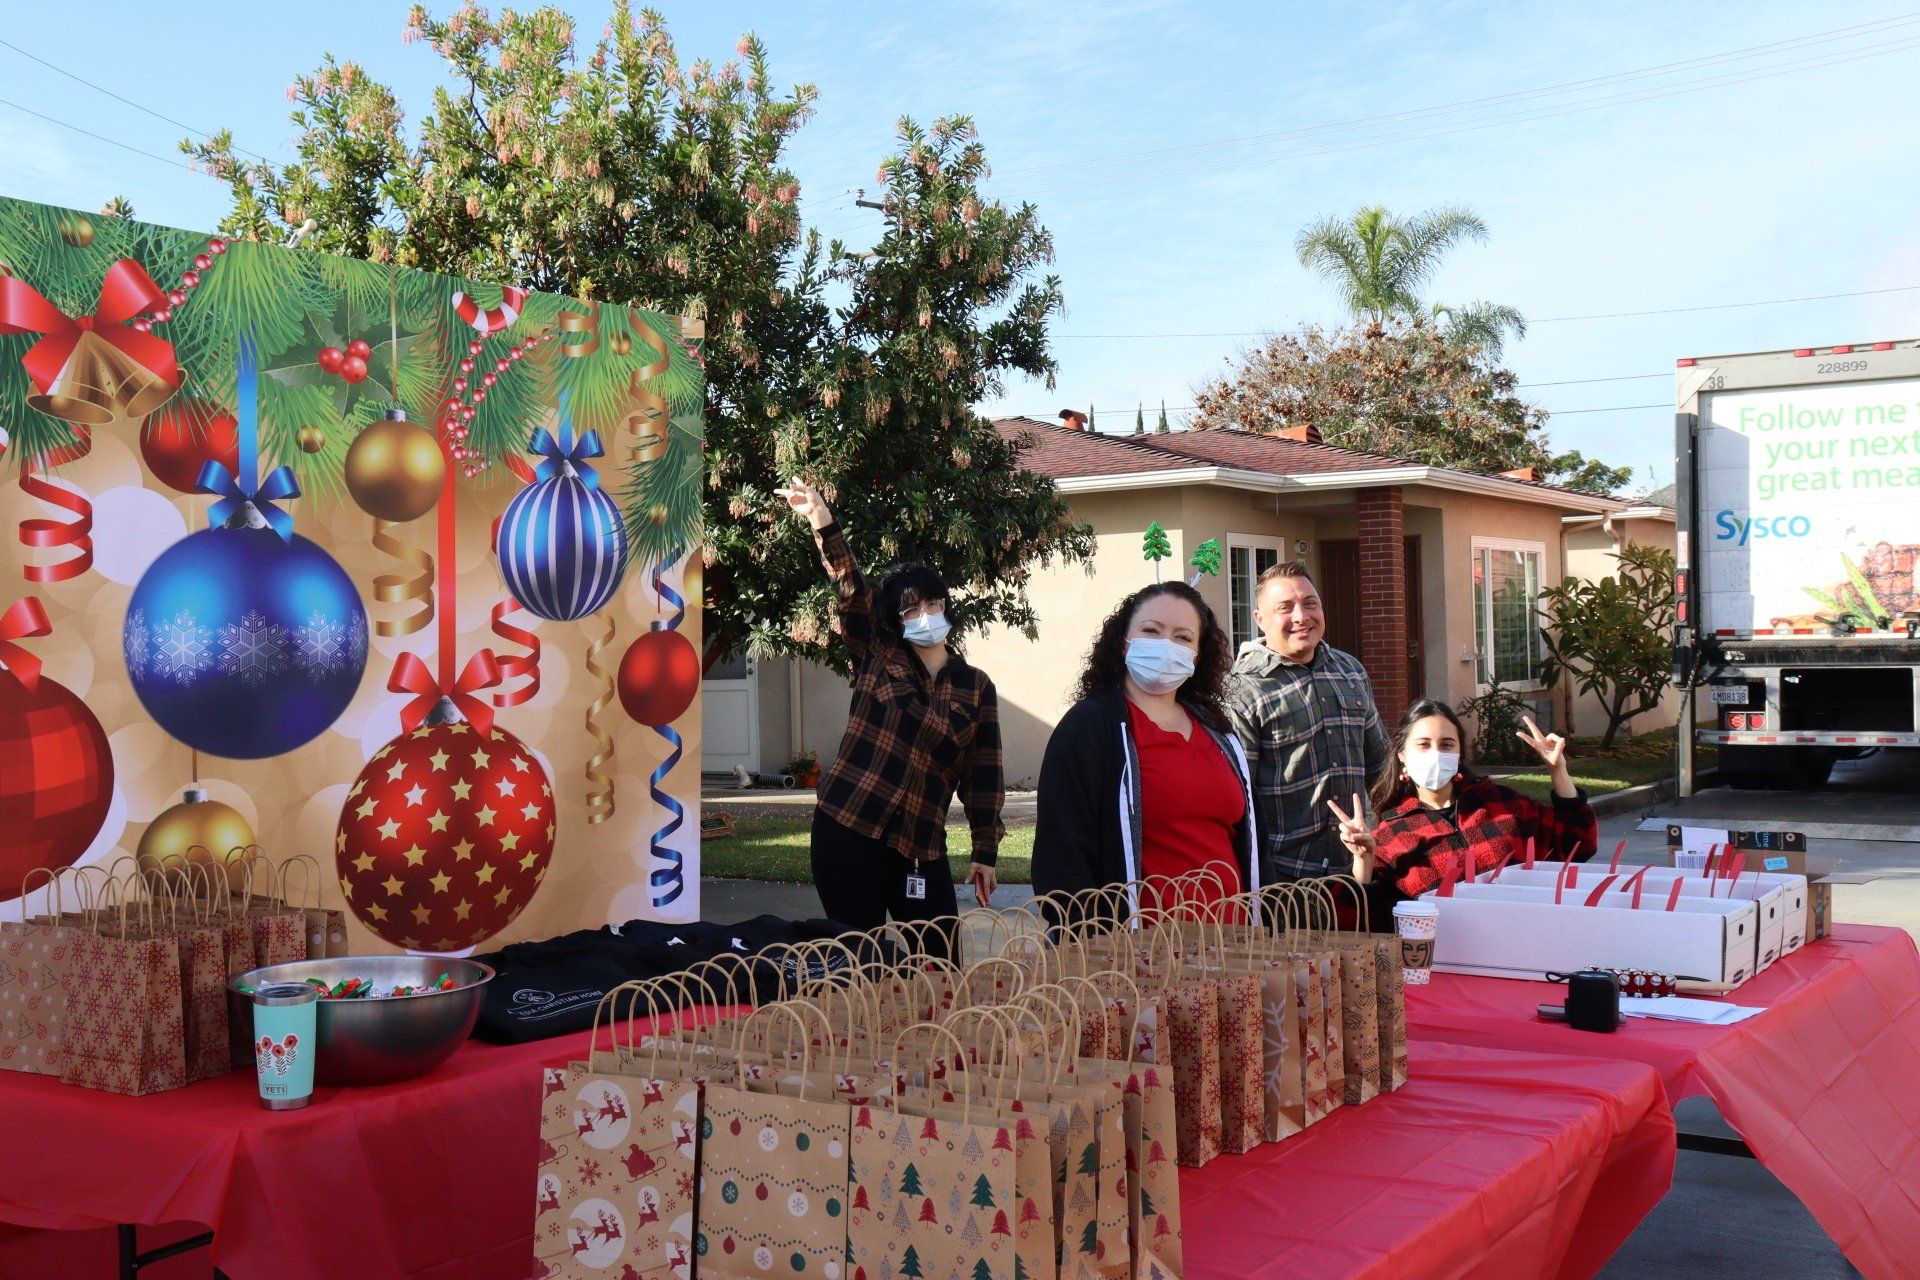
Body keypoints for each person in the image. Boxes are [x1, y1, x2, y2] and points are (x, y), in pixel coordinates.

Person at [778, 479, 1003, 941]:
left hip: (919, 846)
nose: (924, 615)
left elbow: (984, 777)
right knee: (856, 961)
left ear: (946, 607)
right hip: (847, 827)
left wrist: (985, 851)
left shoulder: (975, 687)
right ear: (895, 620)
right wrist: (821, 518)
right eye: (910, 609)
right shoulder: (876, 654)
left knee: (939, 961)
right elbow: (851, 588)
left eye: (932, 604)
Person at [1032, 581, 1258, 914]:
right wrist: (1094, 947)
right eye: (1151, 630)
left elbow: (1253, 843)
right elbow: (1061, 856)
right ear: (1123, 642)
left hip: (1234, 952)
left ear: (1198, 655)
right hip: (1141, 955)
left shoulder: (1220, 732)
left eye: (1183, 637)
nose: (1166, 645)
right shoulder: (1089, 728)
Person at [1331, 698, 1598, 903]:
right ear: (1402, 755)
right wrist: (1364, 861)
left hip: (1524, 945)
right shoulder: (1391, 837)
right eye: (1424, 744)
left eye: (1447, 745)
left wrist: (1558, 770)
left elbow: (1579, 844)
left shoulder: (1503, 805)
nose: (1435, 753)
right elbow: (1362, 917)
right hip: (1445, 963)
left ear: (1459, 752)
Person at [1225, 561, 1391, 883]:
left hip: (1357, 869)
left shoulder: (1350, 670)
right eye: (1285, 608)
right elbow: (1237, 800)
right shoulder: (1242, 689)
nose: (1301, 617)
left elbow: (1380, 768)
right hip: (1284, 882)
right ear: (1260, 620)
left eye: (1310, 603)